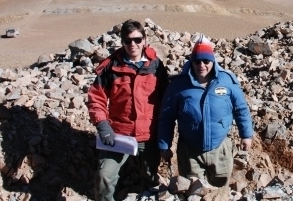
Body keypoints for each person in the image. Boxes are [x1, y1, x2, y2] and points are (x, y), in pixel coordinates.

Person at [87, 19, 169, 201]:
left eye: (137, 40)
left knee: (150, 177)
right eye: (128, 40)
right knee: (104, 176)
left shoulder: (155, 66)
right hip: (118, 134)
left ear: (145, 40)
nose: (133, 44)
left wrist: (165, 133)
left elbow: (166, 101)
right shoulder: (111, 67)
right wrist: (102, 124)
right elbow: (96, 98)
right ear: (122, 41)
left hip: (148, 134)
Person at [158, 35, 253, 187]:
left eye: (206, 61)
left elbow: (241, 109)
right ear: (191, 61)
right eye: (197, 61)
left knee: (218, 191)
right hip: (190, 151)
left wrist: (246, 135)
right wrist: (164, 145)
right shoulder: (178, 85)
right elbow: (166, 118)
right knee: (193, 192)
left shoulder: (226, 80)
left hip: (220, 148)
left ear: (212, 61)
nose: (201, 65)